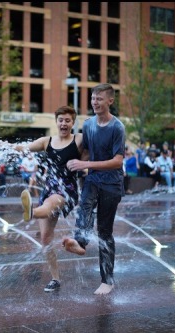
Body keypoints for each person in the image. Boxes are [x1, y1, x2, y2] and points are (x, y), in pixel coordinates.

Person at [62, 83, 126, 295]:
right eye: (92, 98)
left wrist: (86, 165)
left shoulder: (117, 127)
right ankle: (80, 243)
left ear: (110, 101)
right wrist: (74, 165)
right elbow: (86, 153)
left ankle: (107, 280)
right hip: (93, 180)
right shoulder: (88, 125)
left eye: (99, 99)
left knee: (105, 231)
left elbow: (117, 161)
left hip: (112, 184)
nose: (94, 102)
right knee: (85, 208)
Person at [13, 105, 84, 292]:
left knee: (51, 203)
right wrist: (6, 147)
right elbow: (25, 148)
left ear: (73, 122)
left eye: (68, 120)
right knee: (45, 238)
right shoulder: (47, 141)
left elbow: (94, 147)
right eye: (61, 120)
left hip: (66, 190)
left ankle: (31, 211)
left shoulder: (79, 140)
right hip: (49, 188)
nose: (64, 123)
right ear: (56, 121)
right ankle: (55, 279)